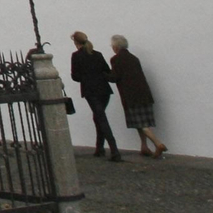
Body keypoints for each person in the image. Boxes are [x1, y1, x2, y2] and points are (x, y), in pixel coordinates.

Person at [108, 35, 166, 159]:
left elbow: (115, 77)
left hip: (131, 96)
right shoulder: (134, 58)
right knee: (141, 123)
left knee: (141, 124)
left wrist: (102, 74)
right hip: (144, 94)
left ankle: (158, 143)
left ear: (116, 46)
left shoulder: (116, 59)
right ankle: (144, 147)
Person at [69, 31, 121, 162]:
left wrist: (85, 77)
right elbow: (107, 70)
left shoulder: (76, 56)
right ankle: (100, 148)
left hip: (90, 91)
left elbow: (75, 76)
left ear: (76, 42)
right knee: (98, 116)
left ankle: (114, 150)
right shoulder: (97, 54)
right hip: (104, 90)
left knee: (101, 118)